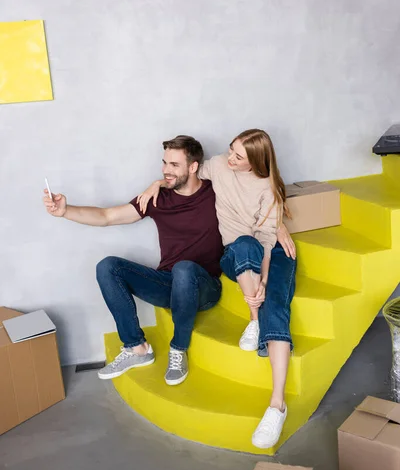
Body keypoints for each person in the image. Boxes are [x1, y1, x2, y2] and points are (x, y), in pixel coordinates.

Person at [138, 129, 297, 448]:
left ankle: (276, 405)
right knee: (241, 246)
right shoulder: (218, 165)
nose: (230, 158)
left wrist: (264, 280)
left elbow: (266, 242)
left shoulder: (268, 187)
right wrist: (156, 183)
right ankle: (254, 320)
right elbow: (180, 173)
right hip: (236, 252)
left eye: (239, 156)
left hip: (269, 251)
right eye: (230, 150)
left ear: (256, 161)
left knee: (275, 305)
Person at [43, 135, 224, 386]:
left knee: (185, 269)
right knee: (108, 266)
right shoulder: (158, 199)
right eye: (164, 164)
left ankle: (178, 349)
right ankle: (137, 348)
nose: (165, 170)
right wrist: (66, 211)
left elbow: (250, 180)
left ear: (193, 167)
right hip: (170, 284)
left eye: (174, 165)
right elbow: (107, 216)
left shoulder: (216, 191)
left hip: (206, 287)